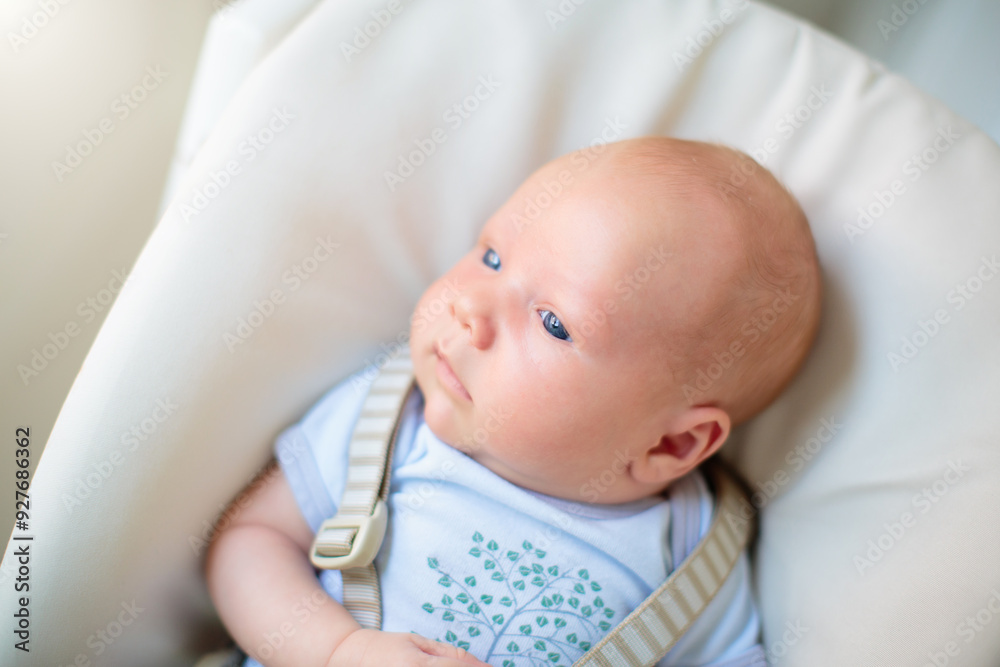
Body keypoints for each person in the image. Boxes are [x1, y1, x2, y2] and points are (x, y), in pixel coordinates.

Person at [205, 136, 823, 667]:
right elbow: (251, 541)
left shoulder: (692, 551)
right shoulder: (389, 424)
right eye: (493, 256)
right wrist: (337, 650)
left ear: (670, 445)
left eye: (554, 323)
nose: (470, 308)